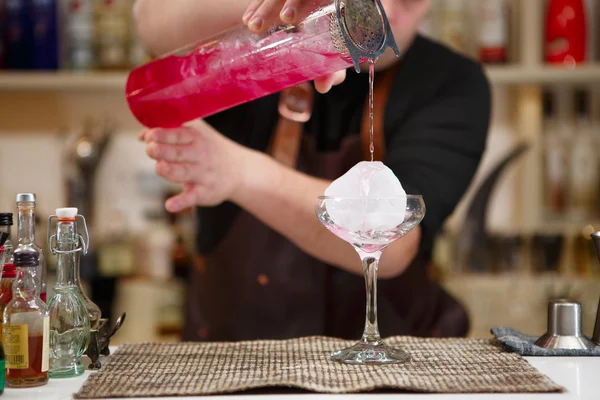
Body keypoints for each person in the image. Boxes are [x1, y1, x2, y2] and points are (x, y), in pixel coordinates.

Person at [133, 0, 491, 341]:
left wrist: (238, 173)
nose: (387, 10)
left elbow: (393, 239)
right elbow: (150, 22)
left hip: (391, 370)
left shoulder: (452, 82)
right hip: (240, 362)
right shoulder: (263, 51)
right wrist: (275, 8)